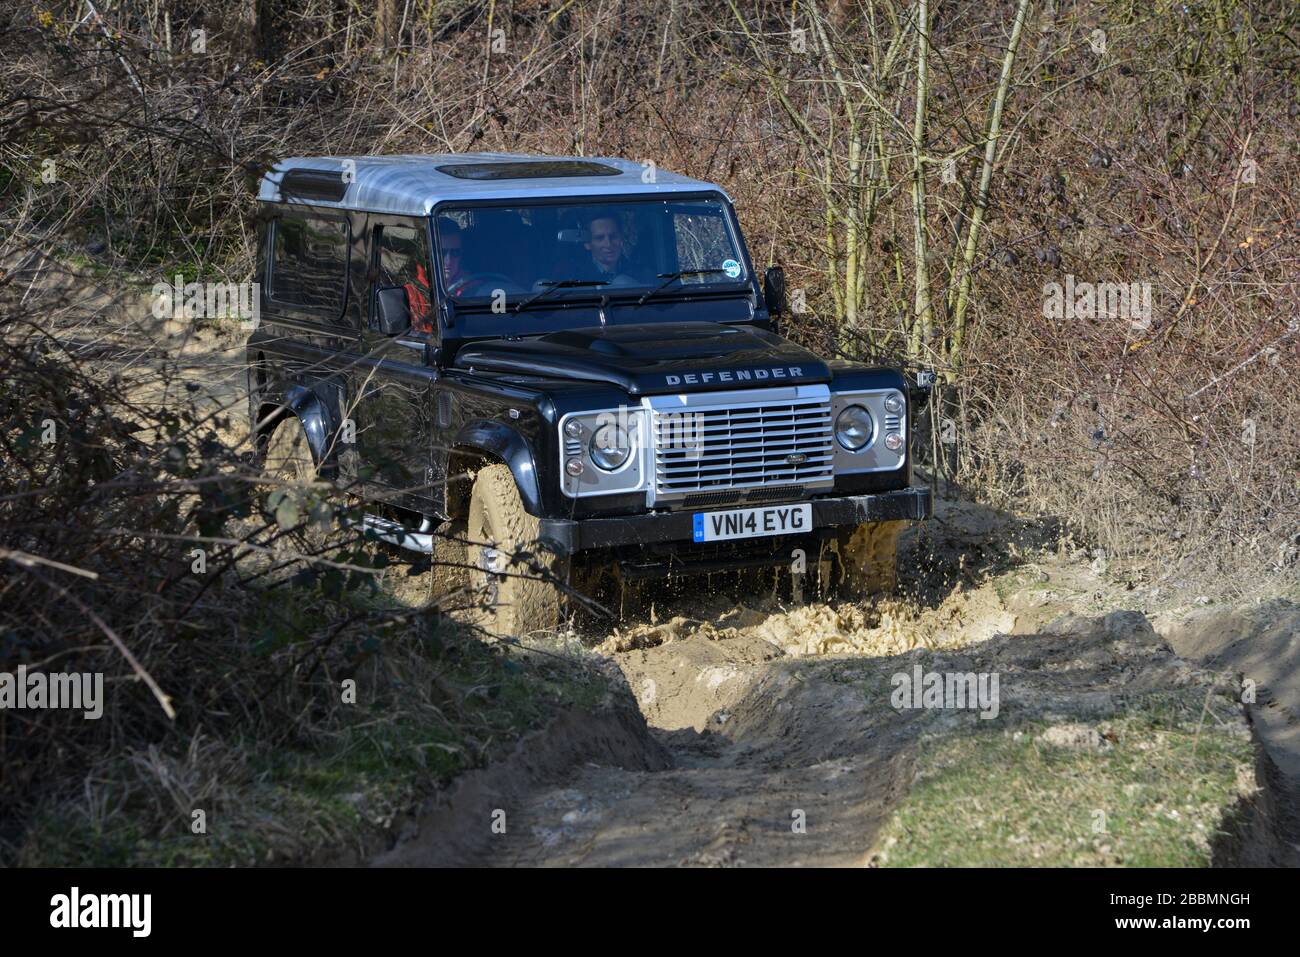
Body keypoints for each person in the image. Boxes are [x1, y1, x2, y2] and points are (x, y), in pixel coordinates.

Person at [581, 211, 640, 284]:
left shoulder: (639, 272)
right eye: (600, 238)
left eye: (613, 236)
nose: (608, 244)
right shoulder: (578, 278)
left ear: (621, 238)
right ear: (587, 244)